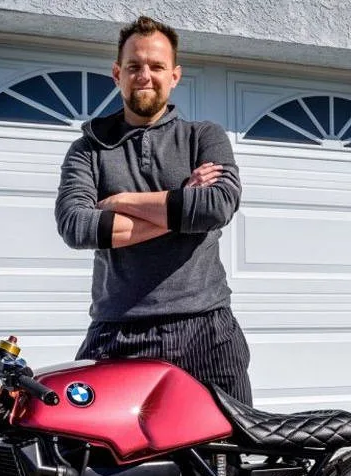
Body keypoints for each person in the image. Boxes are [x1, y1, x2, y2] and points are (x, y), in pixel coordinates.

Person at [55, 15, 252, 405]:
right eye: (134, 66)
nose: (144, 75)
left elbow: (217, 205)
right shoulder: (89, 149)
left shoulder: (204, 137)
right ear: (117, 74)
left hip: (206, 330)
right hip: (118, 332)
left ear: (174, 76)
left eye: (157, 66)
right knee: (85, 439)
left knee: (228, 444)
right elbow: (76, 225)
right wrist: (182, 206)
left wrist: (121, 202)